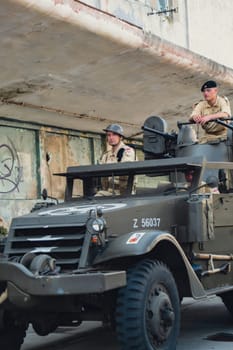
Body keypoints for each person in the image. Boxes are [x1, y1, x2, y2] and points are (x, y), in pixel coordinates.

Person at [97, 124, 136, 195]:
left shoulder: (127, 151)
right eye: (109, 135)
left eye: (114, 135)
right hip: (108, 192)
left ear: (120, 137)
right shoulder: (106, 155)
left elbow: (126, 169)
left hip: (124, 193)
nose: (111, 138)